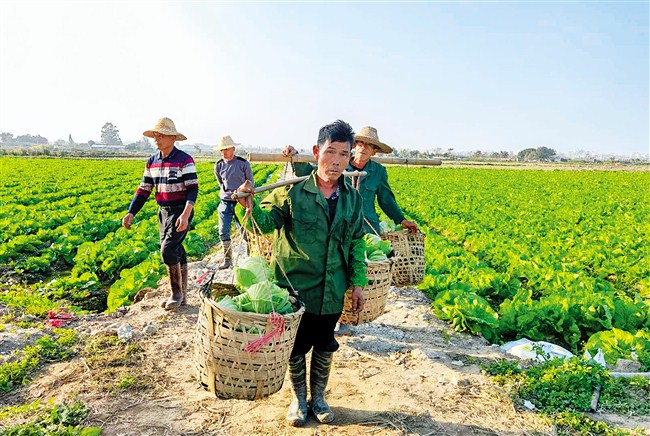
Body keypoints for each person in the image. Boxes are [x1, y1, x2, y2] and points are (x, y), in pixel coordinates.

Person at [234, 120, 367, 427]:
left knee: (324, 343)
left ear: (349, 158)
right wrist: (248, 204)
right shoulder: (291, 192)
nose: (335, 161)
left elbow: (357, 241)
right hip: (295, 289)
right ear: (316, 151)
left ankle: (318, 397)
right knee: (295, 346)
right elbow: (266, 225)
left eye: (343, 154)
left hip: (332, 287)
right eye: (330, 152)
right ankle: (298, 398)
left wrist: (358, 282)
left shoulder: (352, 198)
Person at [284, 125, 418, 235]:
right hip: (338, 226)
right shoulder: (339, 163)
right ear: (354, 146)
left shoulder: (378, 171)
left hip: (367, 228)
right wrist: (295, 156)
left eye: (369, 146)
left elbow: (386, 200)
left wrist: (401, 220)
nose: (363, 148)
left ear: (374, 151)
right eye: (360, 144)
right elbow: (310, 171)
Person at [122, 117, 198, 310]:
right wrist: (131, 212)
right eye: (156, 135)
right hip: (163, 211)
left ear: (173, 138)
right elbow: (144, 190)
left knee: (168, 250)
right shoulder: (152, 161)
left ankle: (176, 293)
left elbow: (192, 189)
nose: (157, 139)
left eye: (161, 135)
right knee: (176, 249)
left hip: (181, 209)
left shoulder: (184, 160)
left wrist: (186, 214)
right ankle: (182, 295)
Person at [214, 135, 253, 269]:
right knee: (223, 231)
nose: (224, 152)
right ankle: (227, 260)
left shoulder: (243, 164)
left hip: (240, 200)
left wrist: (242, 193)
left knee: (245, 231)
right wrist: (228, 193)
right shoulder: (218, 165)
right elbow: (221, 183)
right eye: (222, 150)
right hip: (225, 201)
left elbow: (250, 182)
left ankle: (251, 256)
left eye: (226, 149)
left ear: (233, 149)